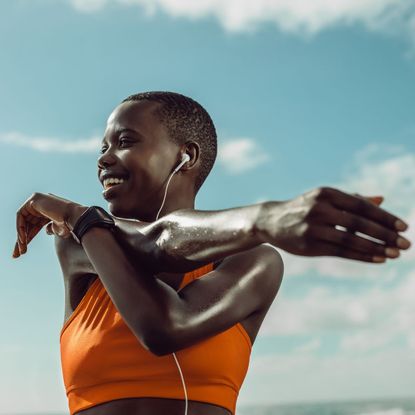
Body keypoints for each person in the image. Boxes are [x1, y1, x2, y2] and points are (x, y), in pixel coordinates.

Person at [13, 91, 411, 415]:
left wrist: (266, 221)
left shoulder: (253, 262)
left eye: (125, 141)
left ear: (186, 156)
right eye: (102, 146)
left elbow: (166, 321)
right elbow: (151, 245)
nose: (103, 158)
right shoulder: (80, 240)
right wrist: (269, 217)